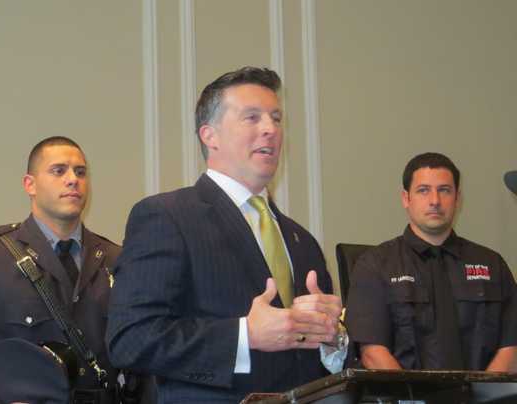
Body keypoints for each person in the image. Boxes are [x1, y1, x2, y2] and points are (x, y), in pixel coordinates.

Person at [106, 67, 344, 403]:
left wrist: (332, 340)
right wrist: (244, 335)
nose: (270, 129)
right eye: (252, 117)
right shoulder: (167, 216)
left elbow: (319, 366)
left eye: (276, 118)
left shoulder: (302, 240)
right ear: (209, 135)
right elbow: (131, 339)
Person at [0, 136, 146, 403]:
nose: (72, 179)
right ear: (29, 184)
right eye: (59, 170)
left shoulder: (116, 260)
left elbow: (143, 355)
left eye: (80, 172)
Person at [345, 152, 517, 371]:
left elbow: (511, 348)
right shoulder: (374, 265)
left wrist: (484, 397)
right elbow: (372, 353)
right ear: (406, 199)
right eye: (423, 190)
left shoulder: (492, 265)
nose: (435, 201)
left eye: (444, 190)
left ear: (457, 198)